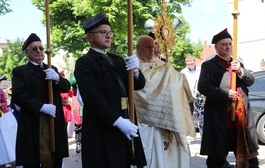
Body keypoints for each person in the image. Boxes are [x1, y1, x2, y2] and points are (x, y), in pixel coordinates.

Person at [74, 12, 147, 168]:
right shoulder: (85, 63)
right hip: (103, 126)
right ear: (90, 37)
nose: (108, 36)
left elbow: (138, 85)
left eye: (109, 33)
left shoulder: (117, 60)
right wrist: (117, 121)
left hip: (125, 118)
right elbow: (92, 97)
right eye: (103, 32)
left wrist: (135, 71)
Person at [198, 28, 259, 168]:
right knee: (217, 158)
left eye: (230, 44)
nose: (228, 47)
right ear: (216, 47)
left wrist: (241, 71)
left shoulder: (237, 64)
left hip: (241, 119)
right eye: (224, 44)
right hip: (220, 119)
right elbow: (203, 87)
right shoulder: (209, 65)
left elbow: (251, 80)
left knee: (250, 159)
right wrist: (225, 94)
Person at [134, 35, 196, 168]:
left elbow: (176, 82)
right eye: (147, 47)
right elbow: (144, 88)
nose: (151, 50)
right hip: (147, 120)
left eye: (153, 47)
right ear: (138, 48)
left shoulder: (162, 64)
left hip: (167, 119)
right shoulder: (132, 64)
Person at [12, 33, 70, 168]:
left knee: (55, 158)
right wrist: (41, 106)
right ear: (27, 53)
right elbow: (18, 95)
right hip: (33, 120)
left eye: (41, 48)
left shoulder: (51, 68)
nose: (39, 51)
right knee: (33, 159)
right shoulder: (20, 71)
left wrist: (58, 79)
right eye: (34, 49)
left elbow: (66, 87)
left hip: (54, 120)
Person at [0, 81, 17, 168]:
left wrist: (1, 105)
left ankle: (7, 159)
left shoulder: (0, 90)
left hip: (2, 116)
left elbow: (4, 102)